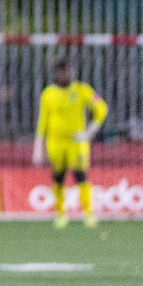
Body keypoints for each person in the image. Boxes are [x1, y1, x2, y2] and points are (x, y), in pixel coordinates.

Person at [33, 59, 107, 229]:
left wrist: (90, 131)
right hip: (55, 142)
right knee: (58, 177)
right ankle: (61, 214)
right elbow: (42, 121)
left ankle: (88, 213)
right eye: (61, 72)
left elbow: (101, 108)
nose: (64, 75)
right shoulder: (48, 93)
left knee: (80, 175)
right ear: (56, 74)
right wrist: (38, 147)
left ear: (72, 72)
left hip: (76, 142)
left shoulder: (82, 90)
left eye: (67, 71)